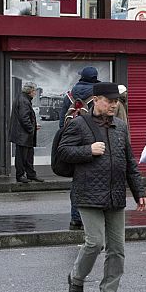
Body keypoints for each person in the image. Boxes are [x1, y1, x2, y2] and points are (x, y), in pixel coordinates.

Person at [59, 82, 146, 292]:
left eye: (116, 101)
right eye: (109, 101)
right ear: (96, 99)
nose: (113, 105)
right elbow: (63, 151)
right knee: (95, 242)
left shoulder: (120, 126)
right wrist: (88, 150)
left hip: (115, 194)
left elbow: (129, 162)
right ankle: (76, 278)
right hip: (88, 193)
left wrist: (139, 192)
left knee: (117, 248)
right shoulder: (79, 124)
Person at [61, 66, 99, 230]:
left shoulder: (69, 95)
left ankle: (75, 218)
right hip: (92, 144)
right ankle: (89, 219)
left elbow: (61, 124)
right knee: (94, 183)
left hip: (73, 145)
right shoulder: (97, 96)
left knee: (77, 183)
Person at [9, 81, 43, 183]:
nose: (35, 93)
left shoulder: (23, 99)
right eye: (34, 91)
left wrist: (32, 126)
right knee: (22, 156)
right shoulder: (24, 101)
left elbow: (24, 117)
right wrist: (31, 128)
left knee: (28, 155)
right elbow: (24, 118)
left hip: (23, 134)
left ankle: (30, 174)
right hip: (23, 135)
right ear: (30, 91)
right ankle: (21, 175)